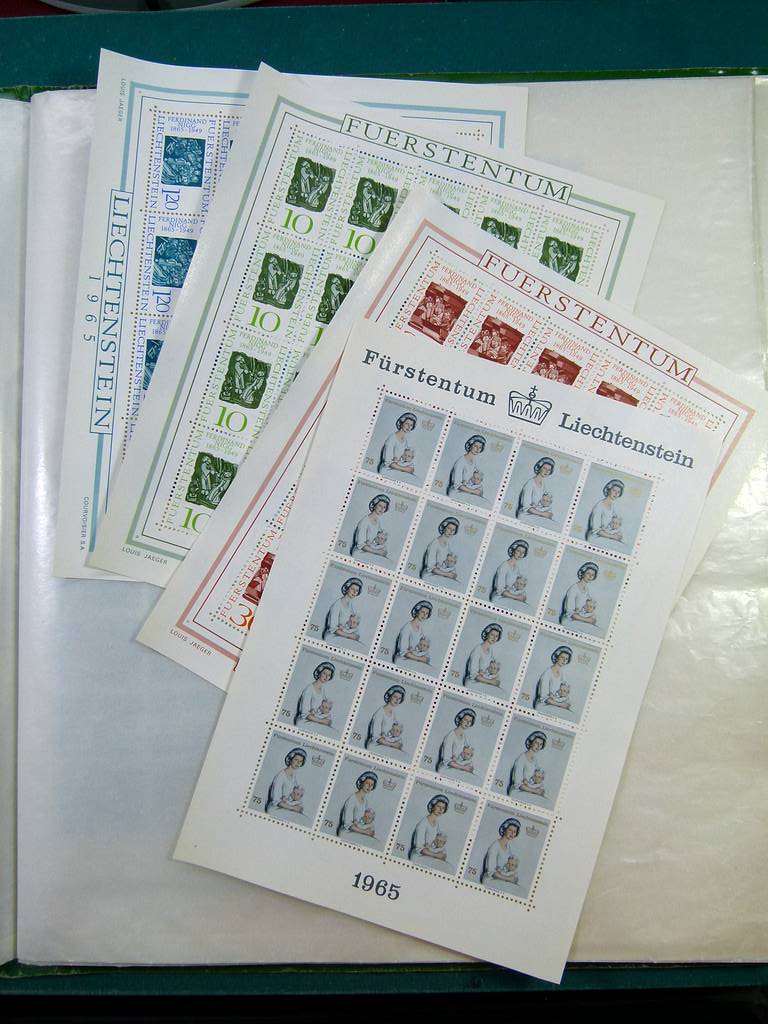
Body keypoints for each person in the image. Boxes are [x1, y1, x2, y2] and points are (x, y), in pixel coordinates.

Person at [481, 817, 521, 885]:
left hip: (502, 878)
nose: (512, 833)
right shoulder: (495, 846)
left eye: (514, 832)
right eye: (510, 830)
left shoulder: (508, 847)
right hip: (491, 879)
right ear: (504, 830)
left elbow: (508, 867)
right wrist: (508, 878)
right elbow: (491, 872)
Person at [265, 747, 306, 815]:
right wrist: (293, 808)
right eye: (296, 760)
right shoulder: (281, 776)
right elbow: (275, 801)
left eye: (301, 761)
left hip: (288, 806)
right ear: (290, 759)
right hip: (276, 808)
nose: (298, 763)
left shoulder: (294, 776)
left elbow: (295, 795)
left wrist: (298, 805)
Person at [409, 794, 450, 863]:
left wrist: (442, 852)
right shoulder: (423, 824)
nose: (440, 810)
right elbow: (419, 849)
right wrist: (436, 855)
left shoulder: (436, 823)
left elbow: (437, 843)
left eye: (443, 808)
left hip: (431, 854)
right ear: (433, 807)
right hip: (419, 856)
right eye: (438, 806)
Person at [337, 771, 378, 838]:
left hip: (358, 830)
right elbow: (347, 824)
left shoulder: (365, 801)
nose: (369, 786)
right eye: (367, 783)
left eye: (372, 785)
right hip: (347, 832)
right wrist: (365, 832)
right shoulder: (352, 799)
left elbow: (364, 820)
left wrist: (370, 829)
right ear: (361, 783)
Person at [366, 684, 406, 752]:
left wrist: (397, 742)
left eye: (399, 698)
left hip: (387, 743)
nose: (397, 700)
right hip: (376, 745)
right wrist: (393, 744)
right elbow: (376, 737)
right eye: (395, 697)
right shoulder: (380, 712)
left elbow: (393, 732)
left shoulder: (393, 713)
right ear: (389, 696)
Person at [294, 660, 335, 727]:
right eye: (324, 673)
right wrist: (322, 721)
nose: (326, 677)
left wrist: (327, 719)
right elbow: (304, 714)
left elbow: (323, 708)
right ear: (319, 673)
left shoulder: (322, 689)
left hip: (316, 720)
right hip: (305, 721)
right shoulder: (309, 689)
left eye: (329, 675)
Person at [393, 600, 433, 667]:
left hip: (414, 657)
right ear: (417, 612)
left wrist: (425, 656)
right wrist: (420, 659)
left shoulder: (420, 628)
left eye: (427, 613)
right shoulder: (407, 628)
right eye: (422, 612)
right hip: (403, 659)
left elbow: (421, 647)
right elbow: (403, 652)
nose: (424, 615)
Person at [437, 708, 476, 776]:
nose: (467, 723)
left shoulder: (464, 736)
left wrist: (468, 764)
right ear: (460, 720)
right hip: (447, 768)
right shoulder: (451, 736)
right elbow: (447, 761)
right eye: (466, 720)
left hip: (458, 766)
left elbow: (467, 754)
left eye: (470, 721)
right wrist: (464, 767)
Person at [586, 479, 625, 545]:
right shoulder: (599, 506)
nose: (616, 494)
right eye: (614, 490)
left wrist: (618, 534)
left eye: (618, 492)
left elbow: (617, 522)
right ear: (608, 490)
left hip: (608, 535)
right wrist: (612, 536)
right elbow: (596, 530)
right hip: (596, 536)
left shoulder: (614, 505)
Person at [420, 516, 460, 582]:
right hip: (430, 575)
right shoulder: (434, 543)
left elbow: (447, 563)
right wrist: (447, 574)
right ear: (444, 528)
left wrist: (452, 572)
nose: (451, 531)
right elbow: (430, 567)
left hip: (441, 573)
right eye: (449, 528)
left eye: (453, 530)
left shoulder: (447, 544)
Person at [534, 645, 573, 711]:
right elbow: (544, 698)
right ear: (557, 658)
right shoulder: (547, 673)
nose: (564, 660)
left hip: (556, 703)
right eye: (562, 657)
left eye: (566, 659)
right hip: (544, 705)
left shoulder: (562, 674)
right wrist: (561, 704)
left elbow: (564, 691)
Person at [463, 623, 503, 688]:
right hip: (473, 682)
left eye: (496, 636)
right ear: (487, 634)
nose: (494, 638)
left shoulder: (490, 650)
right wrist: (491, 682)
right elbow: (473, 675)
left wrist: (496, 678)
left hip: (484, 680)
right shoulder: (477, 650)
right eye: (492, 635)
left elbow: (491, 669)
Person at [508, 731, 547, 798]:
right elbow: (517, 784)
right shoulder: (521, 759)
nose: (538, 746)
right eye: (536, 743)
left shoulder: (535, 760)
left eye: (540, 744)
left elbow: (537, 778)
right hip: (518, 791)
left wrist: (540, 788)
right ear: (531, 743)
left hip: (530, 789)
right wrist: (535, 791)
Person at [351, 494, 390, 559]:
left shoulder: (377, 520)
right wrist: (378, 552)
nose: (382, 509)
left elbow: (379, 538)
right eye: (380, 505)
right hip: (361, 553)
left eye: (384, 507)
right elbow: (361, 546)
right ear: (374, 505)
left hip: (372, 550)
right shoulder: (364, 522)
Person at [323, 577, 363, 642]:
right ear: (347, 589)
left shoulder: (351, 605)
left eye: (357, 590)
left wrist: (354, 634)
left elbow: (352, 624)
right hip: (333, 636)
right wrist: (350, 636)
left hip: (345, 635)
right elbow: (333, 629)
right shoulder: (337, 605)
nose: (354, 592)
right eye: (352, 589)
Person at [560, 562, 599, 628]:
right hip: (569, 621)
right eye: (588, 573)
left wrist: (591, 616)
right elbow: (569, 613)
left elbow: (587, 607)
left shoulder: (586, 589)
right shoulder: (573, 589)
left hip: (580, 619)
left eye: (592, 575)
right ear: (582, 573)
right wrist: (587, 620)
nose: (590, 576)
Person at [490, 539, 529, 604]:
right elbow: (500, 590)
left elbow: (518, 585)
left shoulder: (517, 567)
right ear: (513, 551)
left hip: (511, 596)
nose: (520, 554)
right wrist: (517, 597)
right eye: (518, 551)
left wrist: (522, 595)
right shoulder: (504, 566)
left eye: (523, 552)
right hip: (500, 598)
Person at [517, 456, 555, 522]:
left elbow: (542, 503)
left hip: (537, 513)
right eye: (544, 468)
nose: (546, 471)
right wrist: (543, 514)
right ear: (539, 468)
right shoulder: (530, 483)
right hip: (526, 514)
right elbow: (526, 507)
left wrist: (548, 512)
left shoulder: (542, 484)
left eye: (549, 470)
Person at [378, 412, 417, 477]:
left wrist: (409, 466)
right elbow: (387, 463)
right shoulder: (392, 439)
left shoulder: (405, 440)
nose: (409, 427)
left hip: (398, 468)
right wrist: (405, 469)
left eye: (411, 425)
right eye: (407, 424)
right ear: (401, 424)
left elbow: (404, 458)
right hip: (388, 470)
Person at [448, 435, 486, 499]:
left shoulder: (473, 461)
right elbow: (457, 485)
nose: (477, 449)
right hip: (457, 493)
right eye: (475, 446)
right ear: (470, 445)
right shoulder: (461, 461)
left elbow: (474, 479)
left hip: (468, 491)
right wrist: (474, 491)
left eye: (480, 447)